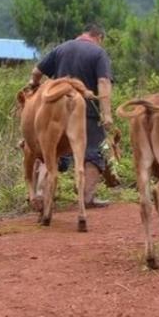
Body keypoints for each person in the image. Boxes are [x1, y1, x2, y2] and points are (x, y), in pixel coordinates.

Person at [27, 23, 114, 208]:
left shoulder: (62, 48)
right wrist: (106, 115)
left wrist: (33, 85)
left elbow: (36, 72)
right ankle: (87, 198)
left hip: (54, 109)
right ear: (99, 38)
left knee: (50, 152)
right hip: (86, 112)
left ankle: (42, 192)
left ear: (82, 34)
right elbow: (104, 82)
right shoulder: (99, 53)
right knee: (92, 153)